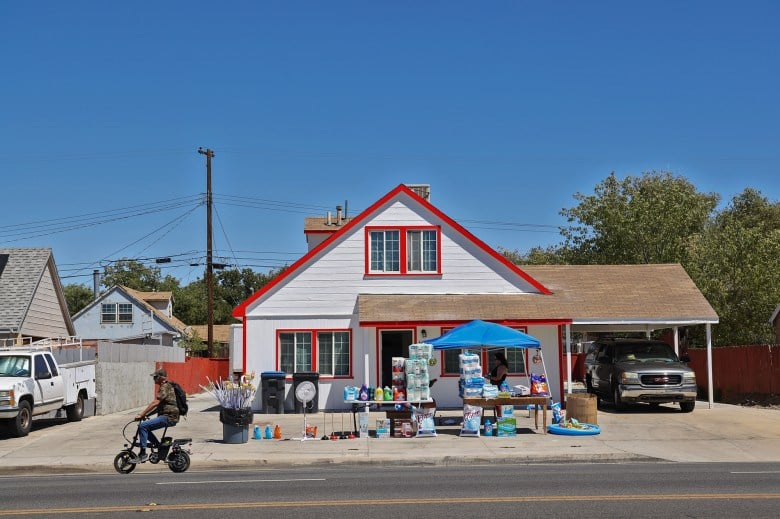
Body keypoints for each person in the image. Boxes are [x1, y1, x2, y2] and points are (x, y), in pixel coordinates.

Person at [133, 368, 180, 463]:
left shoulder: (165, 386)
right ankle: (158, 447)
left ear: (161, 378)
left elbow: (156, 402)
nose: (154, 379)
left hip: (168, 416)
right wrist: (147, 415)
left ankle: (143, 454)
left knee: (142, 426)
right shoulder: (167, 387)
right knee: (145, 427)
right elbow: (159, 407)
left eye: (155, 377)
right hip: (169, 416)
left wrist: (142, 413)